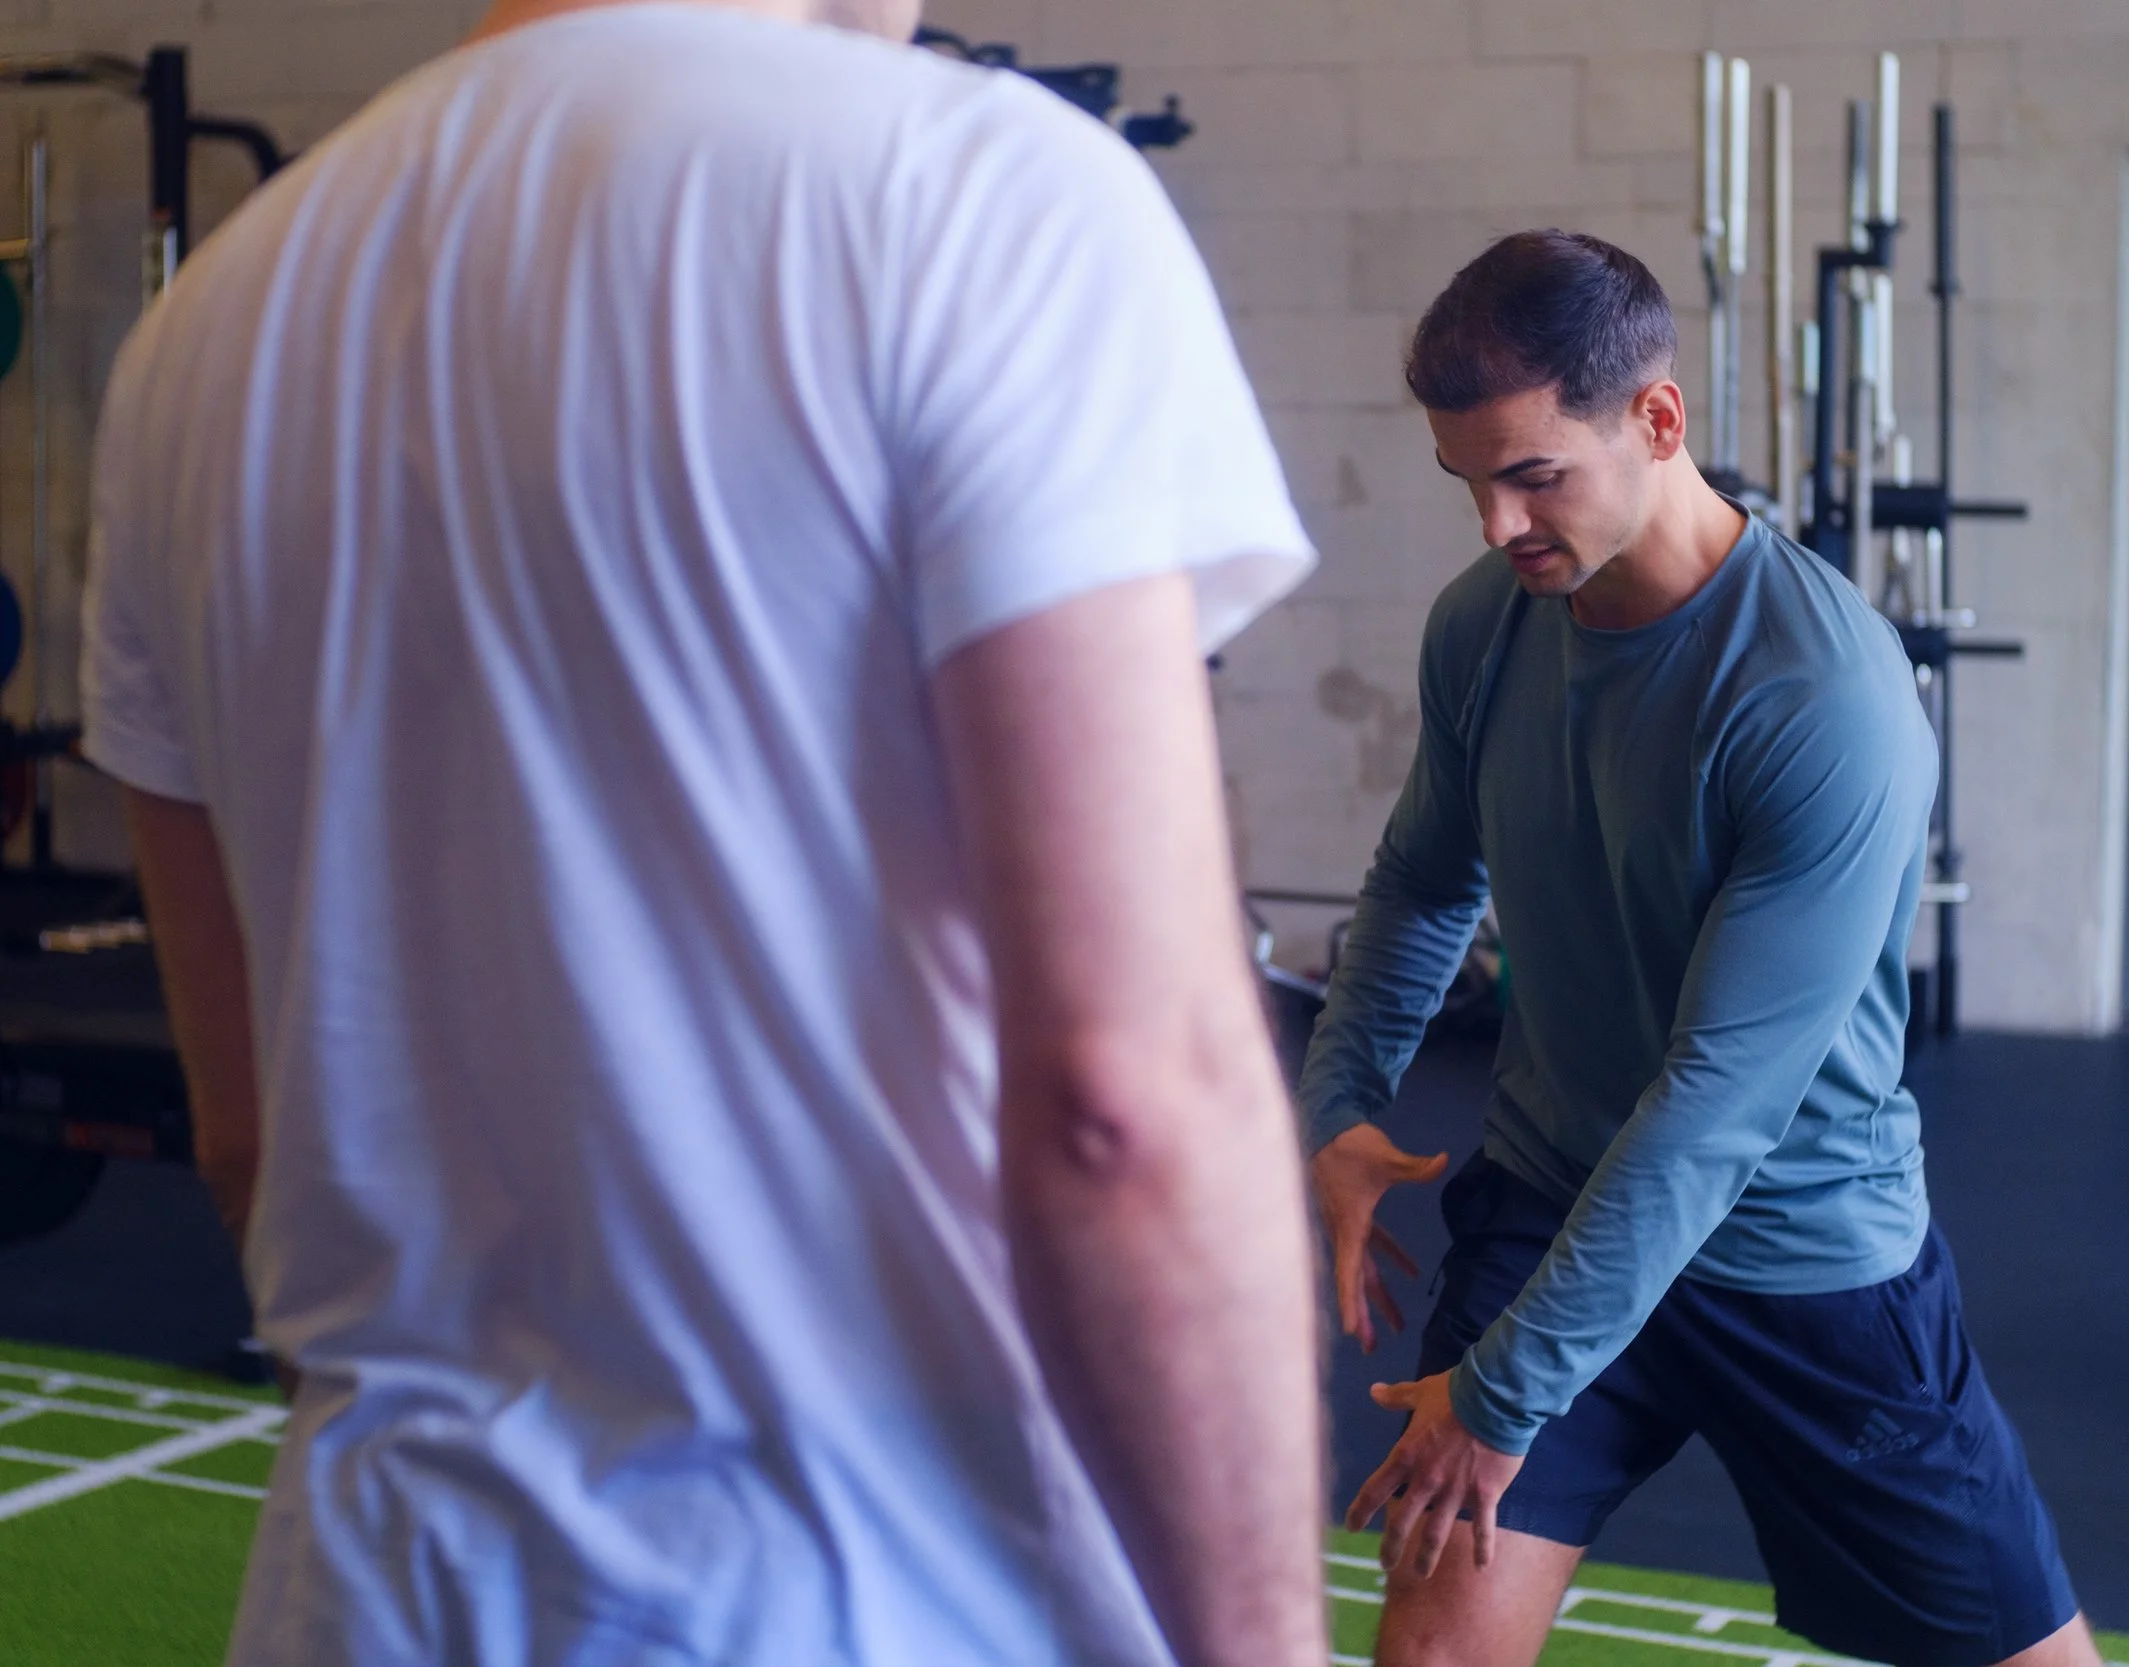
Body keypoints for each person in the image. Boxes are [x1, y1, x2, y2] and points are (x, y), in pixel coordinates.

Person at [80, 0, 1327, 1662]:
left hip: (371, 1588)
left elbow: (245, 1135)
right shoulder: (968, 185)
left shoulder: (202, 331)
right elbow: (1131, 1097)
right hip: (863, 1595)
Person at [1300, 230, 2100, 1667]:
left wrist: (1500, 1397)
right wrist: (1339, 1106)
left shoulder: (1824, 701)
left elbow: (1715, 1107)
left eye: (1533, 474)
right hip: (1553, 1204)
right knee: (1429, 1651)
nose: (1495, 524)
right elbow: (1422, 879)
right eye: (1467, 481)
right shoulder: (1490, 623)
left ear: (1658, 420)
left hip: (1795, 1252)